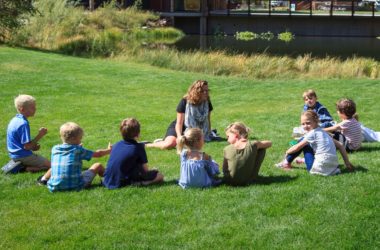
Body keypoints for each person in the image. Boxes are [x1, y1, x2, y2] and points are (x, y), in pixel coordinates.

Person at [37, 122, 111, 192]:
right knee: (98, 165)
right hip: (77, 186)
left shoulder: (55, 149)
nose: (80, 140)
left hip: (54, 187)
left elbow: (68, 153)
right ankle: (107, 181)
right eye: (80, 138)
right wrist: (109, 150)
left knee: (56, 166)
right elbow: (99, 154)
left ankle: (43, 180)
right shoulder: (78, 150)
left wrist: (77, 148)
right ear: (73, 139)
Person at [276, 110, 353, 175]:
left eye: (308, 123)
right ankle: (300, 160)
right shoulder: (324, 132)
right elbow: (340, 145)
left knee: (303, 143)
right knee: (306, 141)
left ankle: (286, 162)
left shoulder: (312, 133)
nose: (305, 126)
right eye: (303, 124)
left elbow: (297, 147)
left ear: (316, 121)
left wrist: (287, 151)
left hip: (319, 168)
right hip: (333, 167)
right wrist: (347, 163)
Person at [146, 80, 213, 149]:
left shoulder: (207, 102)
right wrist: (179, 136)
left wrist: (207, 133)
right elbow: (179, 123)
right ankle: (146, 145)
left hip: (194, 130)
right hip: (180, 127)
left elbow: (208, 120)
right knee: (169, 144)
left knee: (192, 144)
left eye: (207, 91)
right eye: (202, 91)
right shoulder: (185, 101)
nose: (206, 93)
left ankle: (162, 141)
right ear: (196, 91)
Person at [103, 118, 164, 189]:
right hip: (123, 182)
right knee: (160, 176)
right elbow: (145, 170)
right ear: (138, 134)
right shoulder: (138, 147)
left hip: (107, 179)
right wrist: (154, 171)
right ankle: (143, 183)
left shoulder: (117, 144)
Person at [6, 94, 50, 172]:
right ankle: (25, 169)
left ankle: (22, 165)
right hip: (23, 155)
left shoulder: (15, 120)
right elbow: (27, 147)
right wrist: (40, 135)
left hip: (14, 154)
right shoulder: (23, 124)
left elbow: (23, 143)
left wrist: (33, 147)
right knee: (52, 166)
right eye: (32, 107)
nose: (35, 109)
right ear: (22, 109)